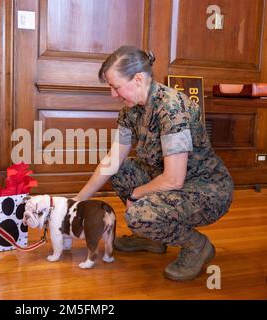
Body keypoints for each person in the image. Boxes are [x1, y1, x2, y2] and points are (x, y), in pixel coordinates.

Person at [74, 46, 234, 281]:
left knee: (139, 214)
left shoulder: (171, 108)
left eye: (115, 86)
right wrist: (77, 201)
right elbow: (112, 161)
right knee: (120, 171)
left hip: (204, 190)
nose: (112, 94)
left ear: (138, 79)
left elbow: (174, 179)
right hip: (171, 181)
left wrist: (136, 195)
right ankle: (154, 238)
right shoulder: (130, 111)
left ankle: (196, 245)